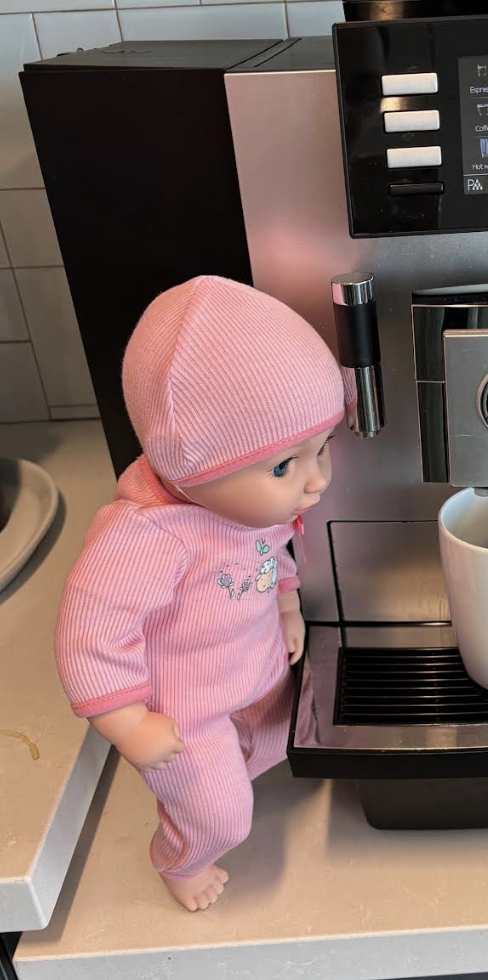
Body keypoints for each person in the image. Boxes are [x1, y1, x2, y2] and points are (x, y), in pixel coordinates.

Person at [55, 275, 350, 911]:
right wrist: (126, 722)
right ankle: (180, 856)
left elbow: (273, 550)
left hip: (253, 668)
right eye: (284, 466)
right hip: (182, 711)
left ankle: (215, 785)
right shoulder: (147, 536)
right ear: (193, 466)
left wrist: (287, 605)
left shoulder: (246, 506)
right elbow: (89, 632)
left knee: (280, 742)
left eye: (320, 451)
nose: (315, 482)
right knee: (221, 818)